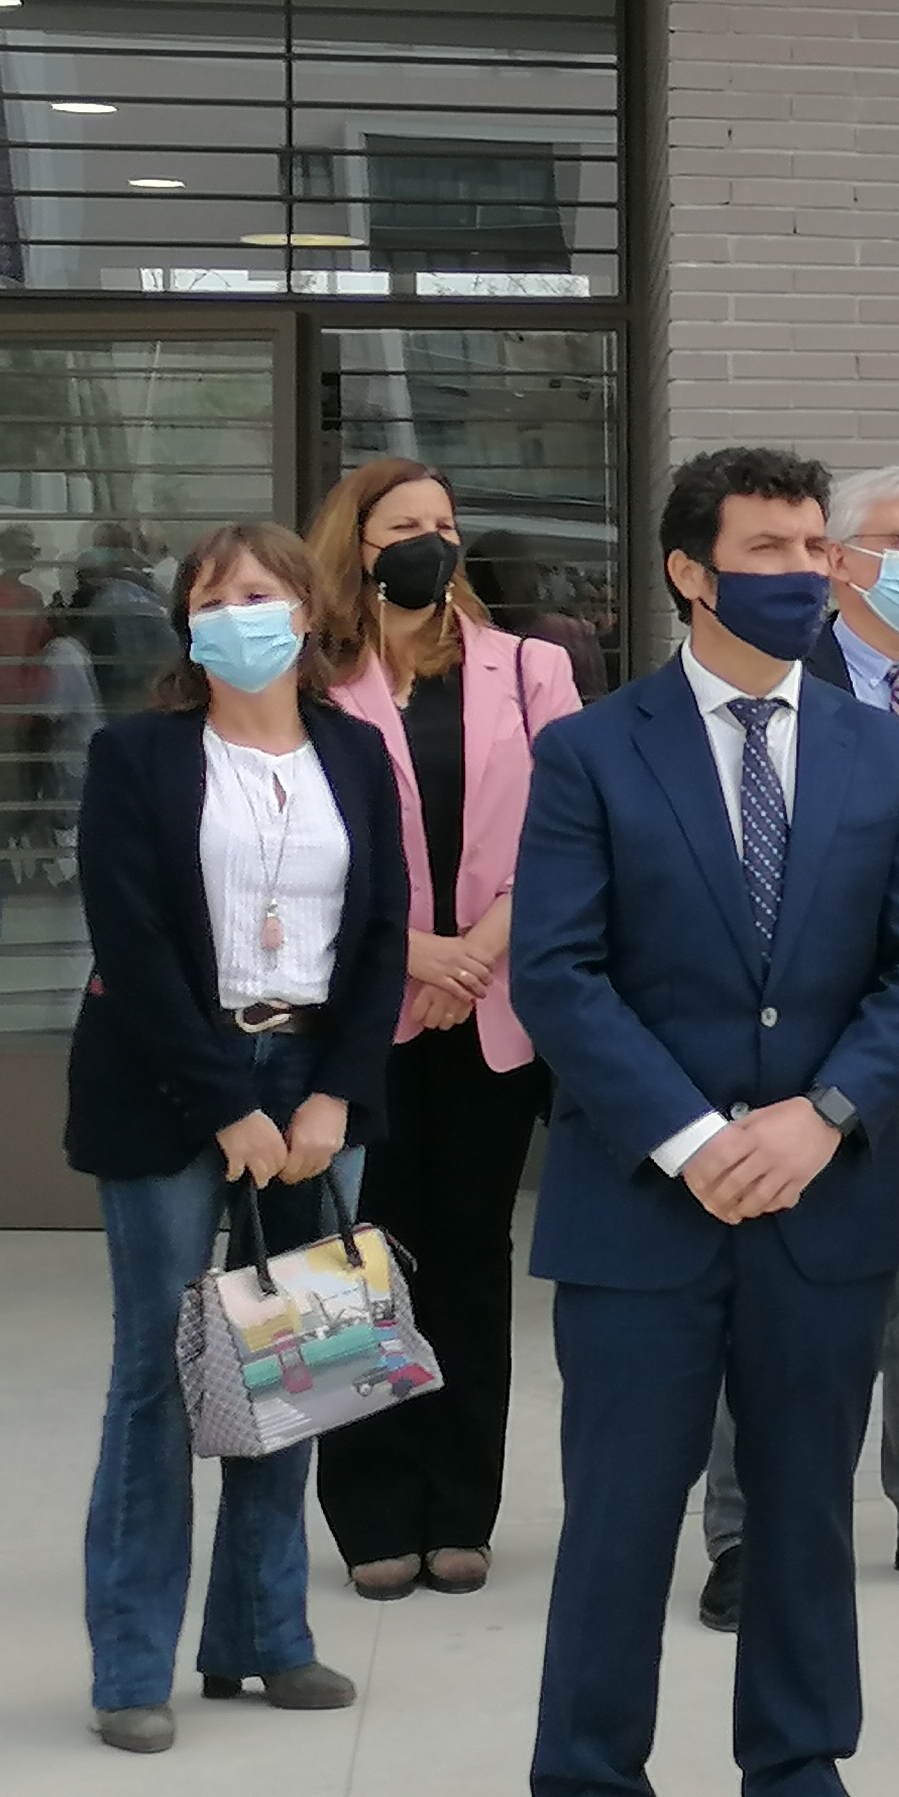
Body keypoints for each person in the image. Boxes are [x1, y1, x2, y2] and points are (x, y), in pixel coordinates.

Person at [517, 447, 899, 1797]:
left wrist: (825, 1115)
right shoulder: (592, 753)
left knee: (801, 1518)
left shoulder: (875, 753)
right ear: (690, 572)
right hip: (645, 1213)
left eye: (815, 547)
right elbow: (559, 975)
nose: (805, 571)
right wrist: (695, 1136)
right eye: (769, 548)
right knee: (623, 1528)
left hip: (821, 1207)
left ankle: (798, 1787)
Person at [67, 522, 407, 1754]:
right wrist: (228, 1106)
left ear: (308, 615)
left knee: (292, 1367)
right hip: (173, 1080)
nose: (237, 613)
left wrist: (330, 1098)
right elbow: (135, 944)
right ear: (187, 628)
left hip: (315, 1076)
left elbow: (381, 937)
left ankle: (266, 1640)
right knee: (158, 1377)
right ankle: (129, 1664)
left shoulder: (360, 756)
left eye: (260, 592)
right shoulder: (137, 755)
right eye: (214, 598)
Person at [703, 465, 899, 1624]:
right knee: (774, 1291)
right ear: (839, 558)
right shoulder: (784, 678)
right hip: (795, 1055)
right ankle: (746, 1534)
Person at [304, 457, 584, 1602]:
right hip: (361, 1011)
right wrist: (410, 953)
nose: (432, 541)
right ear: (356, 547)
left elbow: (572, 822)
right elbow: (294, 846)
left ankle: (460, 1506)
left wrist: (477, 950)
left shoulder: (531, 667)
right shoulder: (312, 678)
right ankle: (370, 1512)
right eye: (404, 526)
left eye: (446, 524)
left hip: (491, 1008)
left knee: (467, 1260)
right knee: (349, 1261)